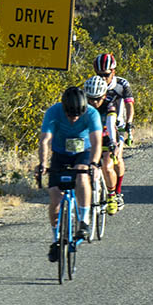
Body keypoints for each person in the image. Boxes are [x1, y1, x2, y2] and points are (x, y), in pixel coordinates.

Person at [36, 86, 102, 262]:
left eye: (78, 115)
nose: (74, 119)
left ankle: (84, 220)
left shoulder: (92, 113)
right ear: (64, 109)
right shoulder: (53, 112)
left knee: (82, 176)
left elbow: (96, 142)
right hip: (60, 153)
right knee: (55, 198)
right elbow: (45, 140)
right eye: (70, 115)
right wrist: (42, 163)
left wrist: (94, 164)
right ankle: (56, 239)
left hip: (83, 151)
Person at [93, 53, 133, 209]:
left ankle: (117, 192)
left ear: (113, 72)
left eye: (106, 75)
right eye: (99, 74)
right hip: (98, 127)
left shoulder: (122, 84)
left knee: (116, 159)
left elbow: (130, 105)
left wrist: (129, 125)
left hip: (118, 125)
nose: (103, 78)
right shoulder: (94, 84)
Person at [84, 74, 122, 215]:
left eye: (97, 98)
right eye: (90, 99)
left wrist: (113, 142)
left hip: (107, 138)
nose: (94, 102)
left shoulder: (109, 105)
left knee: (107, 166)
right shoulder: (82, 105)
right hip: (90, 138)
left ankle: (112, 196)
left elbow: (111, 126)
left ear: (104, 95)